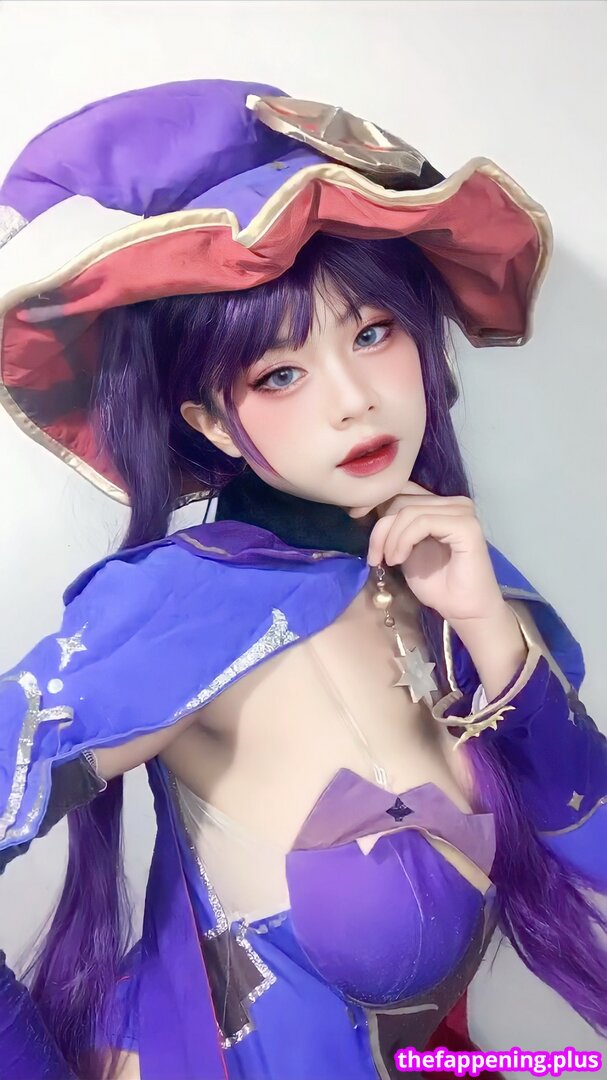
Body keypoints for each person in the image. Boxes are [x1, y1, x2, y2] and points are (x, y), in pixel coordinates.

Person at [0, 79, 606, 1080]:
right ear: (206, 420)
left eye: (372, 333)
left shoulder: (456, 573)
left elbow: (590, 836)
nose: (353, 401)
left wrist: (490, 631)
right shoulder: (183, 604)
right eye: (280, 374)